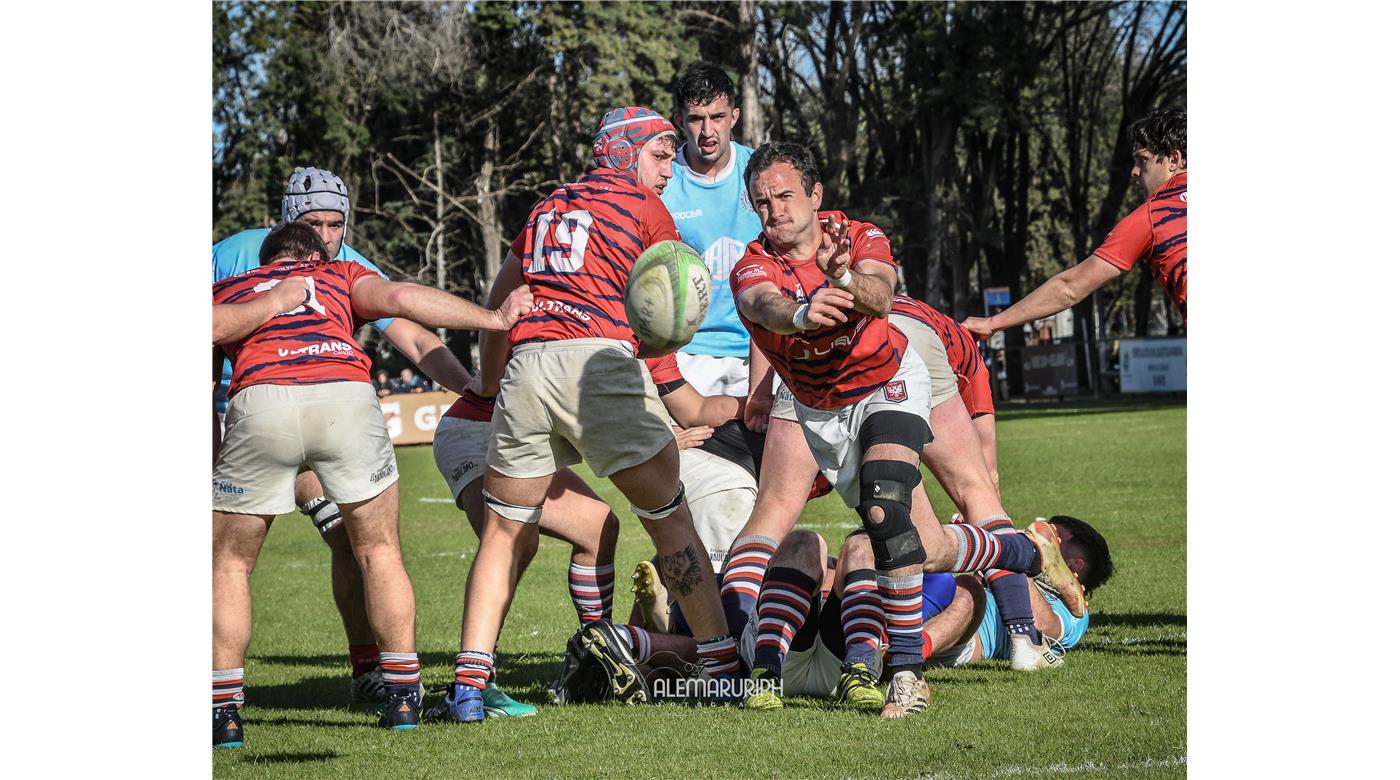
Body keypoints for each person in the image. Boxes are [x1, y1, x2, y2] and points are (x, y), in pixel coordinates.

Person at [730, 141, 1085, 718]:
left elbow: (880, 293)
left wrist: (842, 275)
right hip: (821, 410)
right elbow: (761, 302)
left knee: (884, 508)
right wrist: (796, 314)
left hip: (891, 380)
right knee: (923, 545)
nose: (774, 211)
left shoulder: (859, 236)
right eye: (762, 202)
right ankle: (1020, 551)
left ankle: (905, 675)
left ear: (816, 196)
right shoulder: (752, 262)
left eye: (786, 196)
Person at [433, 106, 743, 724]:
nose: (669, 167)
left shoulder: (547, 206)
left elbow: (504, 297)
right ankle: (723, 668)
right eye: (659, 154)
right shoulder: (643, 207)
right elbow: (674, 300)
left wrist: (491, 381)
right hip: (597, 361)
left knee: (503, 530)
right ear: (624, 154)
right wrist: (658, 355)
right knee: (668, 517)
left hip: (528, 364)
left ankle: (469, 686)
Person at [211, 222, 532, 746]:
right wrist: (494, 317)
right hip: (345, 393)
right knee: (379, 551)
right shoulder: (339, 273)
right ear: (317, 255)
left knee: (230, 564)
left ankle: (225, 714)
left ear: (264, 263)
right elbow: (404, 297)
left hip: (261, 397)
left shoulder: (230, 286)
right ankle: (404, 698)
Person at [213, 166, 479, 703]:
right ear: (290, 220)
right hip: (237, 406)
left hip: (299, 402)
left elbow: (406, 331)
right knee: (339, 542)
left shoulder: (347, 263)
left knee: (344, 536)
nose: (329, 237)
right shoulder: (230, 253)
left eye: (338, 225)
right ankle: (379, 678)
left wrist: (469, 388)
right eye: (316, 224)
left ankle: (367, 671)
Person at [427, 348, 741, 719]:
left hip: (521, 406)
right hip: (477, 429)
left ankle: (598, 655)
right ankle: (474, 684)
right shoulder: (614, 330)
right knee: (513, 540)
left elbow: (695, 408)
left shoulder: (637, 339)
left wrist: (760, 404)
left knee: (598, 525)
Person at [962, 108, 1187, 339]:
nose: (1135, 172)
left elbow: (1068, 288)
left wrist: (992, 323)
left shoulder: (1153, 216)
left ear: (1173, 159)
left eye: (1143, 160)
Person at [661, 62, 774, 429]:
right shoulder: (663, 183)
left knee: (771, 474)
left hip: (760, 349)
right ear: (679, 119)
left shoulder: (760, 172)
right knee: (691, 477)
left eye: (717, 116)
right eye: (696, 119)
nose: (708, 131)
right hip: (688, 354)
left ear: (734, 116)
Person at [924, 515, 1113, 669]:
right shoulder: (1027, 576)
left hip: (965, 642)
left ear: (1074, 565)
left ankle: (908, 654)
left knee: (970, 590)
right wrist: (972, 540)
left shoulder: (1076, 611)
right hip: (944, 607)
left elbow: (1044, 627)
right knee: (927, 564)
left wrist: (1018, 558)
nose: (1040, 540)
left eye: (1054, 540)